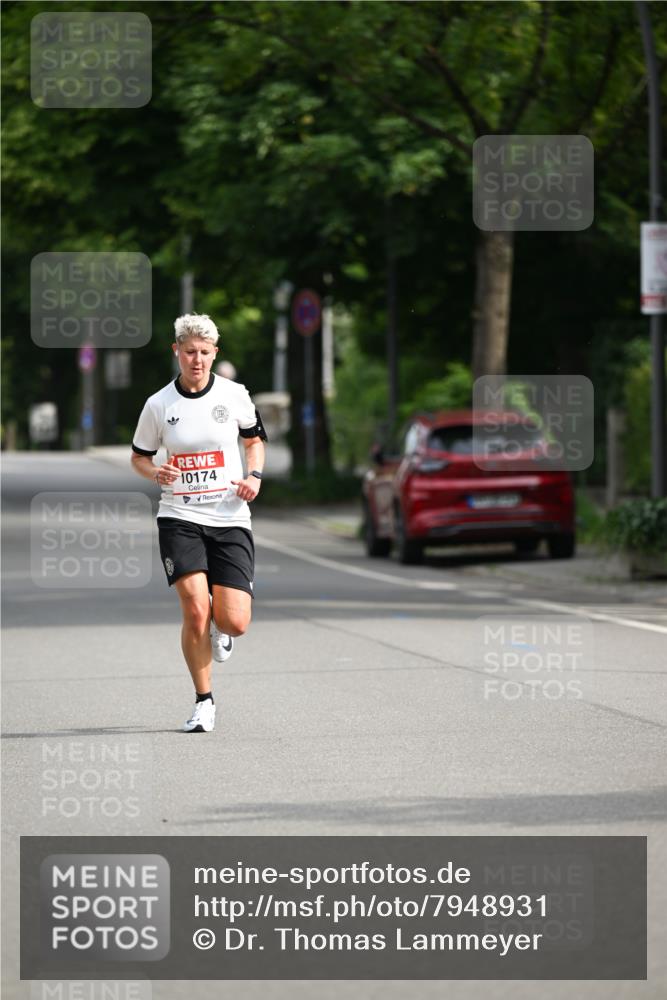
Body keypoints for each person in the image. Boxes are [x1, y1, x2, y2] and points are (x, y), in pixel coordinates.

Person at [130, 313, 266, 733]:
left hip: (229, 516)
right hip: (180, 516)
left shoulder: (235, 394)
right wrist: (157, 473)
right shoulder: (159, 405)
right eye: (190, 351)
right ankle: (203, 701)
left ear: (214, 354)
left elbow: (254, 440)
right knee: (195, 609)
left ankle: (220, 631)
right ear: (177, 351)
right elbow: (139, 456)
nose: (197, 360)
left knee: (234, 622)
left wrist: (254, 477)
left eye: (205, 353)